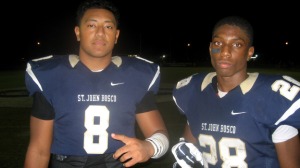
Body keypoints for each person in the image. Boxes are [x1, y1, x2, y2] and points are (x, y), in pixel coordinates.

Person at [23, 0, 169, 167]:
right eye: (92, 25)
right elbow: (39, 150)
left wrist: (149, 147)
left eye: (108, 27)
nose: (100, 33)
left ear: (116, 35)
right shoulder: (50, 75)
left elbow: (160, 134)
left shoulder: (136, 75)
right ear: (78, 32)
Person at [171, 16, 300, 168]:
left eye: (237, 44)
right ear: (210, 48)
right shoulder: (193, 90)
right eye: (218, 43)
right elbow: (189, 148)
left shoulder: (275, 98)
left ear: (249, 52)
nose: (225, 52)